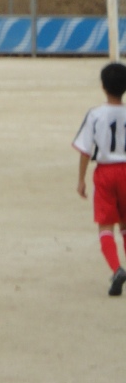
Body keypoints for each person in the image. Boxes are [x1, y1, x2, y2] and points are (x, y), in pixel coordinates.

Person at [72, 62, 126, 296]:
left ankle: (116, 269)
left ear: (103, 86)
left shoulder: (95, 115)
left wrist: (81, 179)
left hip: (105, 172)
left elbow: (86, 150)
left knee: (105, 225)